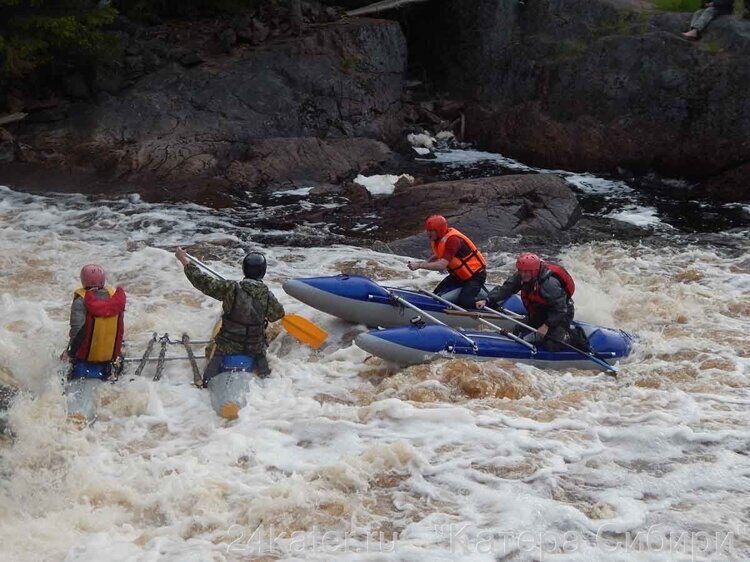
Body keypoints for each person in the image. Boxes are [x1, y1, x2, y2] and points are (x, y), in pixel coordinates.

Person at [175, 248, 285, 381]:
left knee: (206, 378)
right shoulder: (267, 296)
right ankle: (264, 377)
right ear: (263, 272)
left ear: (244, 270)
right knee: (266, 377)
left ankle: (206, 382)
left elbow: (202, 281)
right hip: (254, 348)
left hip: (226, 347)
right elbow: (278, 314)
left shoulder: (231, 288)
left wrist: (183, 260)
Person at [475, 252, 578, 351]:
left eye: (526, 272)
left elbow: (560, 308)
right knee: (518, 330)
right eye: (521, 271)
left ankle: (570, 336)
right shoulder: (521, 276)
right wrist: (487, 299)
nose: (523, 274)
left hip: (562, 314)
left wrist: (546, 325)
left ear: (534, 271)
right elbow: (506, 289)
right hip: (541, 310)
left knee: (551, 344)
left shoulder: (549, 284)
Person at [407, 215, 487, 309]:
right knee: (435, 294)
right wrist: (427, 261)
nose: (428, 233)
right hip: (459, 276)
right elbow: (440, 254)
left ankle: (486, 302)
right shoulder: (440, 239)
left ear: (439, 230)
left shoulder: (453, 240)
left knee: (465, 301)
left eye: (431, 231)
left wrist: (420, 265)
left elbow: (442, 265)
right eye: (427, 230)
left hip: (475, 276)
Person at [63, 264, 126, 378]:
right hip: (110, 357)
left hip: (86, 358)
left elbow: (77, 332)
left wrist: (70, 354)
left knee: (64, 359)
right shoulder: (114, 297)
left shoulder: (81, 301)